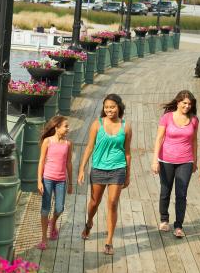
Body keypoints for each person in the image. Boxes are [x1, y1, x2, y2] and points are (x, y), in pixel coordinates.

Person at [77, 94, 133, 255]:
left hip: (118, 168)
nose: (109, 109)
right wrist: (82, 169)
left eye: (112, 107)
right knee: (94, 202)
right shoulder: (97, 124)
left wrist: (128, 174)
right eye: (106, 107)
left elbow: (128, 153)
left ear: (119, 107)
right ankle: (89, 223)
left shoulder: (126, 127)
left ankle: (109, 241)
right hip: (99, 168)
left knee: (113, 203)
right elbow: (89, 147)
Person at [152, 90, 199, 238]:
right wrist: (155, 160)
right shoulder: (167, 117)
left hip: (185, 160)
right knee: (165, 191)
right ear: (178, 102)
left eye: (189, 104)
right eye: (184, 103)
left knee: (181, 193)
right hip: (166, 160)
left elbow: (194, 141)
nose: (187, 106)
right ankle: (164, 219)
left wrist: (195, 160)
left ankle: (179, 225)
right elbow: (159, 138)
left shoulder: (194, 120)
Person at [36, 116, 74, 250]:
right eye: (66, 126)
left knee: (59, 208)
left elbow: (69, 163)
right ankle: (44, 239)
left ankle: (53, 222)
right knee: (45, 208)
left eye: (68, 126)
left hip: (61, 180)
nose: (68, 129)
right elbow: (41, 161)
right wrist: (39, 180)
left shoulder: (68, 144)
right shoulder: (48, 141)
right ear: (57, 127)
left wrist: (70, 183)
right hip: (47, 179)